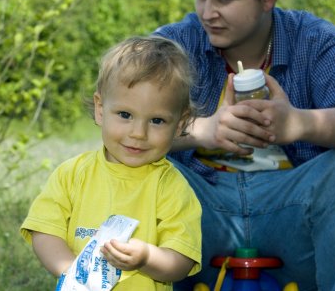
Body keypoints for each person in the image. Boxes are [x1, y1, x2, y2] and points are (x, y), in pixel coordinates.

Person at [153, 0, 335, 290]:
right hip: (197, 219)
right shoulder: (173, 44)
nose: (208, 13)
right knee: (130, 163)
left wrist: (299, 124)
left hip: (297, 216)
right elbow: (122, 123)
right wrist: (201, 130)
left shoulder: (316, 41)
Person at [20, 36, 202, 290]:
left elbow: (180, 260)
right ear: (100, 109)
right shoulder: (72, 175)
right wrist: (72, 271)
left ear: (180, 124)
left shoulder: (172, 188)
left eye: (157, 120)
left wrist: (147, 257)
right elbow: (45, 230)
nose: (138, 133)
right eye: (125, 115)